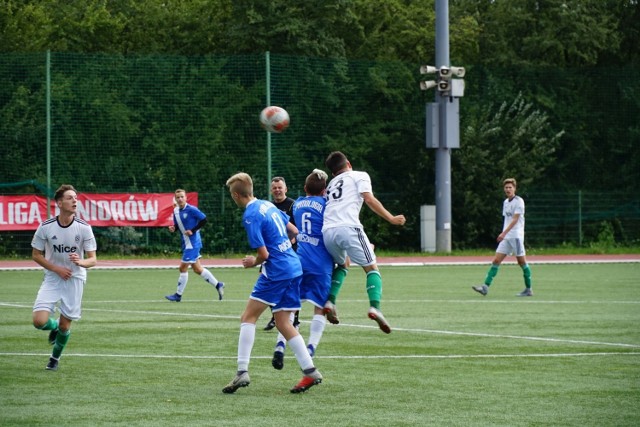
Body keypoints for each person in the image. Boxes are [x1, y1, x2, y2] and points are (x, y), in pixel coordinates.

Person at [222, 172, 322, 394]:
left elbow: (264, 254)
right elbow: (294, 231)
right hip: (295, 267)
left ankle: (241, 372)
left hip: (276, 271)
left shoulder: (250, 215)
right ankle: (310, 370)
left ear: (237, 195)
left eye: (232, 195)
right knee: (283, 322)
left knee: (248, 317)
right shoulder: (267, 205)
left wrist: (252, 262)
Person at [321, 151, 406, 334]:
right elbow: (369, 198)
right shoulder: (360, 175)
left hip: (328, 231)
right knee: (371, 268)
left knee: (343, 264)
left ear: (334, 172)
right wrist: (391, 218)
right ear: (349, 163)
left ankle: (330, 301)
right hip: (349, 228)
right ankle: (375, 307)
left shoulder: (331, 184)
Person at [271, 169, 334, 370]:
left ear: (305, 188)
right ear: (324, 190)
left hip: (300, 260)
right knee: (320, 307)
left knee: (289, 307)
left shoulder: (297, 204)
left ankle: (280, 346)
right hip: (321, 262)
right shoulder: (327, 205)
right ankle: (311, 348)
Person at [31, 184, 98, 371]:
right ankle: (52, 328)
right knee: (39, 321)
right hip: (53, 277)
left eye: (75, 198)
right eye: (70, 198)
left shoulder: (84, 228)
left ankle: (54, 359)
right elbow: (36, 255)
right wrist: (56, 269)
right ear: (59, 203)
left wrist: (81, 263)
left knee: (64, 325)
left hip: (75, 279)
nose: (74, 200)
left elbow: (92, 259)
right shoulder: (45, 227)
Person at [472, 178, 533, 297]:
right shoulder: (506, 202)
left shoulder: (519, 201)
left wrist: (503, 233)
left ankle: (528, 289)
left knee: (522, 262)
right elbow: (507, 219)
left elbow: (515, 219)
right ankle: (485, 287)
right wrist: (504, 234)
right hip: (506, 237)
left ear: (515, 188)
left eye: (510, 187)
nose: (508, 189)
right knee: (496, 261)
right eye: (506, 187)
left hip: (515, 236)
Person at [165, 189, 224, 302]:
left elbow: (204, 219)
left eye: (182, 197)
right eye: (178, 197)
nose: (180, 199)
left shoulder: (191, 209)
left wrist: (193, 230)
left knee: (182, 267)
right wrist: (174, 228)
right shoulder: (176, 211)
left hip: (192, 243)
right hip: (186, 243)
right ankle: (218, 285)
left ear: (186, 198)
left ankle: (178, 295)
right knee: (197, 269)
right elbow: (178, 225)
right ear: (175, 199)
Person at [263, 176, 298, 331]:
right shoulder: (268, 207)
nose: (277, 190)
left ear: (286, 189)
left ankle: (294, 319)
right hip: (272, 253)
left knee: (290, 287)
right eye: (274, 188)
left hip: (289, 253)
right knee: (267, 282)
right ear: (271, 190)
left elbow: (297, 230)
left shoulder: (293, 205)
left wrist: (289, 242)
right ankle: (275, 316)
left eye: (280, 187)